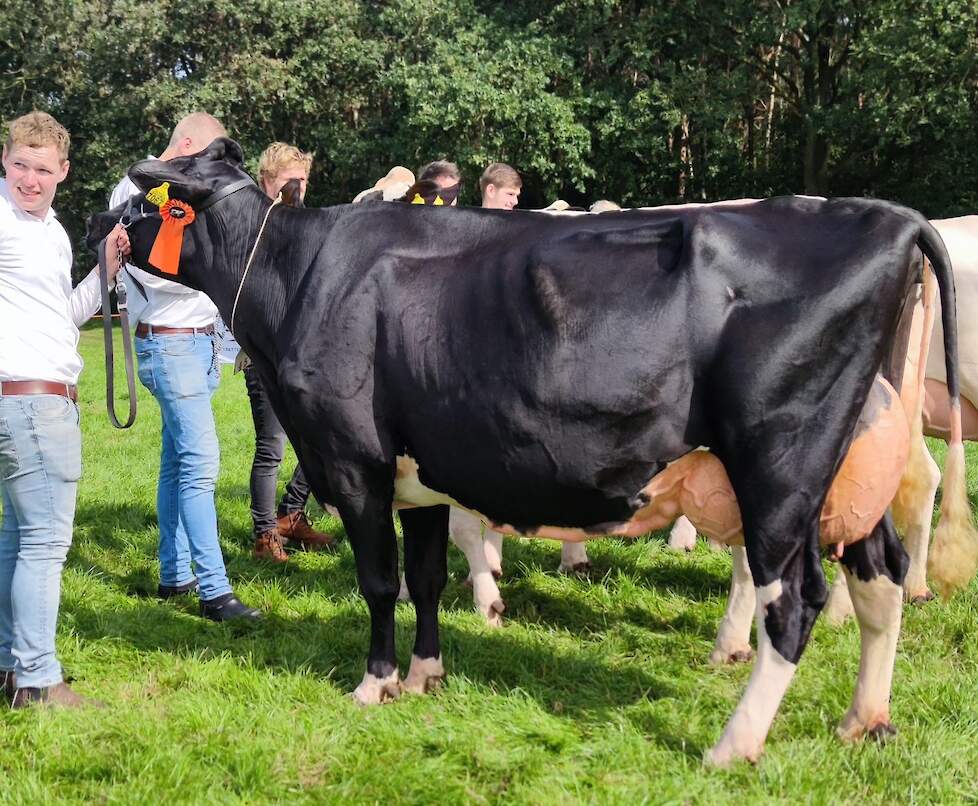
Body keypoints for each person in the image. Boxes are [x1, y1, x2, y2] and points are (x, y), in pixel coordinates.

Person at [109, 112, 259, 622]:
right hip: (169, 343)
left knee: (178, 463)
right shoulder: (134, 188)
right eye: (208, 155)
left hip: (199, 344)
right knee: (201, 464)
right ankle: (215, 591)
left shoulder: (185, 186)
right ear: (190, 144)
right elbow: (156, 267)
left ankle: (174, 574)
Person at [0, 111, 128, 707]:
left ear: (63, 173)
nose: (30, 178)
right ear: (5, 160)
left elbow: (64, 314)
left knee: (18, 538)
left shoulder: (47, 228)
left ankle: (9, 664)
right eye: (21, 164)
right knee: (46, 542)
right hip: (30, 403)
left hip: (36, 400)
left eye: (43, 169)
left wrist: (104, 270)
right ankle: (37, 678)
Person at [243, 143, 335, 563]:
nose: (297, 190)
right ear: (266, 182)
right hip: (264, 353)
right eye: (288, 182)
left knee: (322, 440)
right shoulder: (251, 227)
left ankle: (291, 514)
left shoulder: (307, 225)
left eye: (303, 181)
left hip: (306, 352)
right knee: (272, 447)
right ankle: (264, 535)